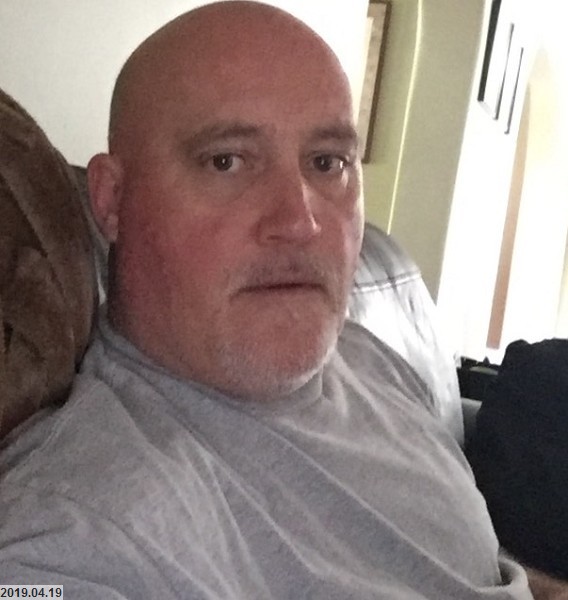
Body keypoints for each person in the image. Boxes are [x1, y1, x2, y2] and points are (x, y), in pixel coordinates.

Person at [0, 2, 535, 598]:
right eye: (226, 161)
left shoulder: (368, 358)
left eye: (327, 162)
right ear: (111, 200)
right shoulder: (79, 534)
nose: (301, 221)